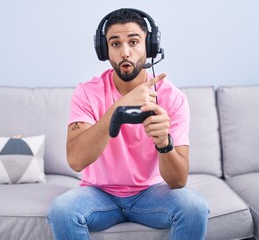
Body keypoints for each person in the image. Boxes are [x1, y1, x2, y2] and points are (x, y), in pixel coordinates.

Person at [47, 8, 209, 240]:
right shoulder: (86, 92)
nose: (125, 52)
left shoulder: (173, 98)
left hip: (151, 193)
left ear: (149, 46)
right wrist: (120, 105)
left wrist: (164, 143)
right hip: (98, 193)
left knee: (194, 207)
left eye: (134, 42)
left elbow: (178, 181)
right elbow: (76, 161)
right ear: (104, 50)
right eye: (115, 44)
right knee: (62, 210)